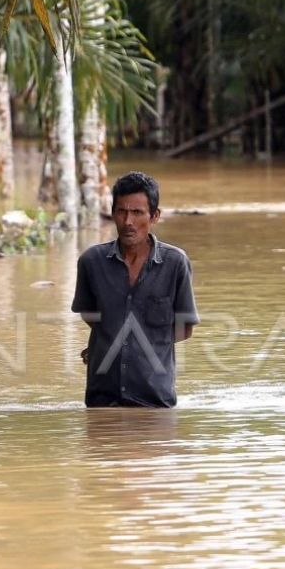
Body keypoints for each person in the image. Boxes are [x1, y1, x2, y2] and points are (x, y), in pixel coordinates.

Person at [71, 171, 199, 408]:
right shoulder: (91, 262)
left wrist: (127, 345)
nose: (128, 221)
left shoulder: (175, 264)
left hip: (155, 402)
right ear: (112, 214)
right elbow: (88, 314)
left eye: (137, 212)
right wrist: (109, 341)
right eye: (122, 211)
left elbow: (185, 329)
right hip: (102, 401)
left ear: (155, 216)